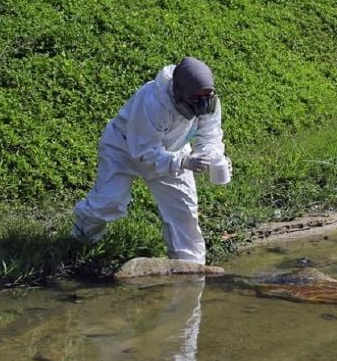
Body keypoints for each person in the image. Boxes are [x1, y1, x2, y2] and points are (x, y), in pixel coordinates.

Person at [72, 57, 230, 264]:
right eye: (195, 98)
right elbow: (143, 151)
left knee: (184, 215)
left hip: (175, 151)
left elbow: (210, 134)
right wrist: (182, 163)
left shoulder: (208, 101)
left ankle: (190, 271)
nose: (202, 104)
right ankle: (80, 246)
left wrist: (214, 157)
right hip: (124, 148)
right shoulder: (153, 101)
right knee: (108, 201)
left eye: (206, 96)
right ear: (178, 91)